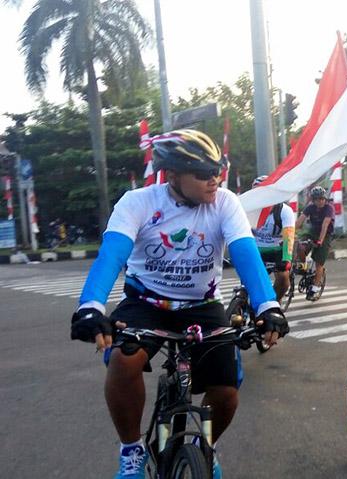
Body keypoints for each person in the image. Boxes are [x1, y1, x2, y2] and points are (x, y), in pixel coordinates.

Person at [69, 129, 289, 479]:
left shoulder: (225, 203)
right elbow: (112, 255)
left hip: (202, 306)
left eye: (218, 170)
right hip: (146, 303)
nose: (214, 180)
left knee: (227, 391)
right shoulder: (138, 202)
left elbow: (245, 255)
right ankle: (131, 451)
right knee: (124, 363)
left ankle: (205, 446)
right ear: (171, 175)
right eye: (203, 174)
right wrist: (91, 305)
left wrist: (268, 306)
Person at [251, 175, 296, 301]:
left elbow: (289, 237)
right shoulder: (248, 208)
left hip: (276, 250)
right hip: (255, 248)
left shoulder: (284, 211)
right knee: (249, 283)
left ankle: (274, 304)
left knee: (283, 279)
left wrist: (286, 259)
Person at [294, 186, 334, 300]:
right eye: (317, 199)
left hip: (325, 235)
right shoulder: (310, 208)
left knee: (318, 263)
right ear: (313, 200)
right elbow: (299, 222)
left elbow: (325, 225)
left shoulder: (329, 208)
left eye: (322, 199)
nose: (320, 201)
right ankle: (303, 267)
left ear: (325, 199)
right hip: (312, 232)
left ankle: (315, 288)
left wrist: (320, 240)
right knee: (300, 247)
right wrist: (289, 235)